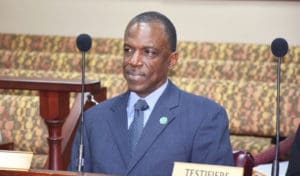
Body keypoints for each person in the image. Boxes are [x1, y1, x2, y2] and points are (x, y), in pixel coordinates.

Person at [68, 11, 234, 176]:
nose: (134, 61)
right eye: (128, 50)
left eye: (148, 52)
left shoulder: (205, 117)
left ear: (172, 60)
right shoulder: (94, 119)